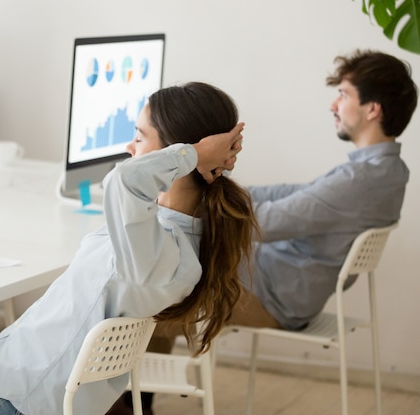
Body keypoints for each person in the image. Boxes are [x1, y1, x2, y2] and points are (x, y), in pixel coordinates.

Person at [0, 82, 258, 415]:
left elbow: (124, 182)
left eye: (140, 138)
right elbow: (129, 192)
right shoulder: (171, 235)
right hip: (22, 371)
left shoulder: (162, 253)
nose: (130, 148)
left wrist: (195, 154)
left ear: (174, 154)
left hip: (17, 401)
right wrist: (194, 156)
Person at [107, 49, 417, 415]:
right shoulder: (387, 172)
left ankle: (128, 406)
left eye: (344, 95)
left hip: (274, 296)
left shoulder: (360, 181)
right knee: (161, 280)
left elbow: (262, 224)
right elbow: (292, 195)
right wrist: (219, 185)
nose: (334, 104)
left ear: (372, 109)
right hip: (278, 282)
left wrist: (206, 195)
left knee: (153, 298)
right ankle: (136, 403)